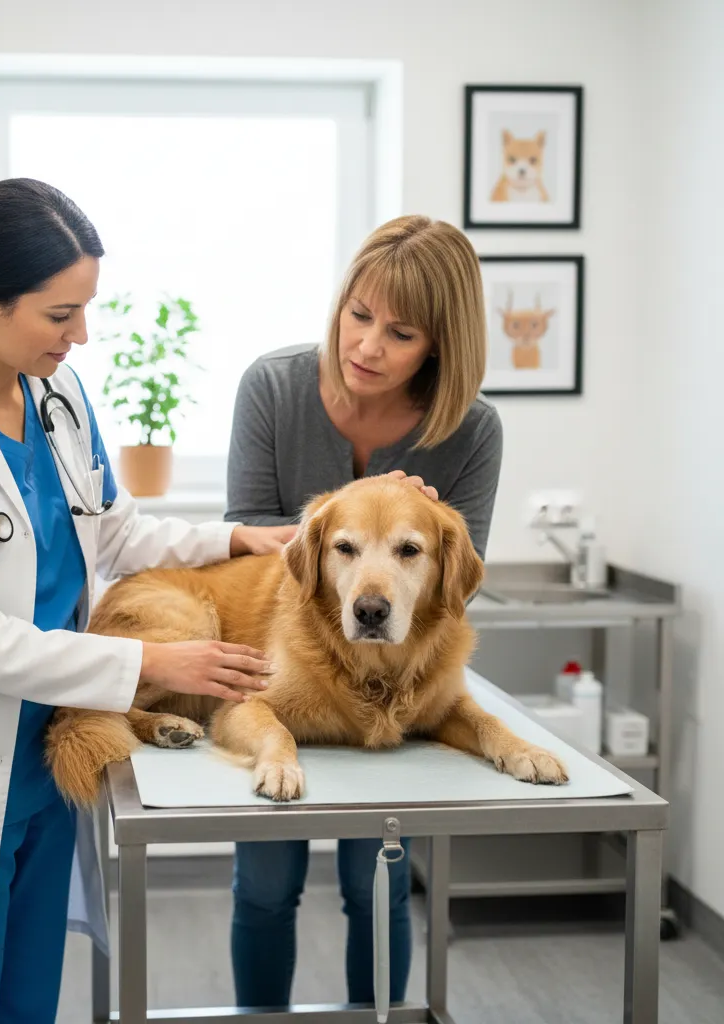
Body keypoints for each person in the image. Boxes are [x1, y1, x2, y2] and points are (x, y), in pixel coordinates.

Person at [0, 177, 294, 1024]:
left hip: (42, 764)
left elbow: (113, 533)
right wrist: (153, 660)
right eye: (60, 314)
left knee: (24, 999)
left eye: (88, 309)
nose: (81, 336)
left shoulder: (59, 401)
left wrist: (237, 539)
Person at [224, 214, 502, 1008]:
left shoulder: (472, 430)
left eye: (401, 331)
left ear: (441, 345)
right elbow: (245, 547)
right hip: (288, 671)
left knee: (376, 884)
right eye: (358, 315)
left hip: (399, 687)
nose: (368, 345)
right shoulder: (273, 387)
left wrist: (424, 526)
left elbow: (452, 585)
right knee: (266, 883)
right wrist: (348, 515)